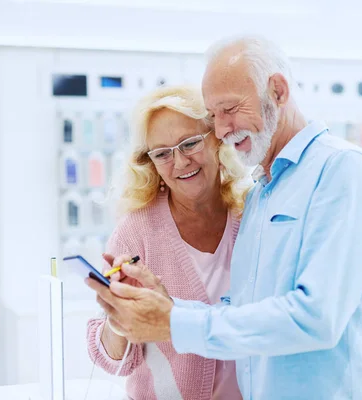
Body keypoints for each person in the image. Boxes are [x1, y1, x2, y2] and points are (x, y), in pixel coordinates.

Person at [88, 36, 362, 399]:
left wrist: (173, 320)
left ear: (278, 91)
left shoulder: (341, 170)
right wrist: (165, 307)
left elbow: (315, 317)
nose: (222, 129)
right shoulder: (262, 193)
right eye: (214, 116)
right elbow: (242, 308)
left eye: (230, 109)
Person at [85, 85, 248, 400]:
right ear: (151, 163)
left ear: (216, 138)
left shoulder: (251, 215)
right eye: (162, 153)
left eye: (190, 144)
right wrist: (119, 320)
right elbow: (112, 358)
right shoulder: (137, 229)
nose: (181, 162)